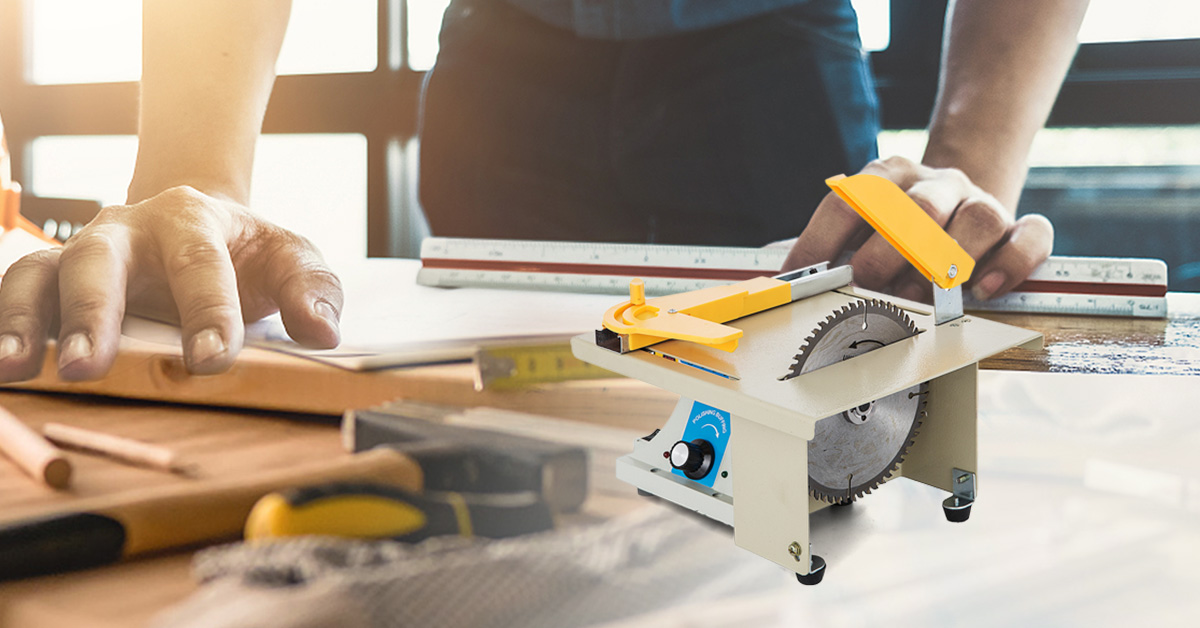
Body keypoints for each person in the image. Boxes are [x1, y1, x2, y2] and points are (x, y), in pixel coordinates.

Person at [0, 0, 1089, 382]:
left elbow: (929, 247)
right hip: (506, 60)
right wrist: (192, 170)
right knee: (511, 424)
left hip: (771, 54)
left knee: (829, 396)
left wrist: (964, 190)